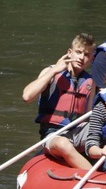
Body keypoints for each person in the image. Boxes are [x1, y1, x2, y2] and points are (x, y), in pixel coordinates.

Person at [22, 33, 96, 169]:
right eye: (78, 52)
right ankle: (94, 175)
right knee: (63, 144)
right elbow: (27, 96)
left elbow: (88, 116)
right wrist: (55, 70)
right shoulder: (51, 72)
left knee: (104, 129)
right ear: (70, 52)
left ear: (91, 59)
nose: (81, 57)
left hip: (77, 132)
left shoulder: (90, 82)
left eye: (86, 54)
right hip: (52, 133)